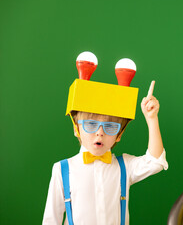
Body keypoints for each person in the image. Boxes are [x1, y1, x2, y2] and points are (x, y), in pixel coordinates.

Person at [42, 81, 168, 225]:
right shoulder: (62, 169)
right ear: (76, 129)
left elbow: (155, 161)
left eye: (110, 126)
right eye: (91, 124)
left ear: (119, 135)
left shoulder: (124, 166)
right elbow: (51, 221)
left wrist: (151, 118)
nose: (100, 133)